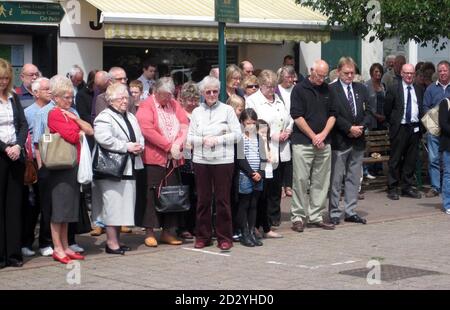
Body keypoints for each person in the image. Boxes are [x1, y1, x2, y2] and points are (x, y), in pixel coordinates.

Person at [187, 76, 241, 251]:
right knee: (203, 200)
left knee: (222, 200)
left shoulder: (227, 110)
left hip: (223, 160)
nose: (211, 94)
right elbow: (190, 138)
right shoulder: (196, 112)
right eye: (208, 91)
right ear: (202, 93)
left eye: (215, 91)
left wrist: (217, 140)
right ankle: (203, 236)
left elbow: (238, 135)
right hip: (201, 160)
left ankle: (224, 237)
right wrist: (203, 140)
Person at [136, 77, 188, 247]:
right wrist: (168, 146)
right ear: (156, 92)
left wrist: (178, 143)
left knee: (172, 193)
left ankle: (168, 231)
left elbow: (184, 124)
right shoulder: (146, 106)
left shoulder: (174, 104)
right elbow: (147, 130)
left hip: (174, 158)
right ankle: (150, 230)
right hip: (154, 159)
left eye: (170, 95)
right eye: (165, 95)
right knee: (152, 194)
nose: (168, 98)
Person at [92, 83, 144, 255]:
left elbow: (139, 135)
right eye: (120, 98)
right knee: (112, 205)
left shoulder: (130, 116)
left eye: (126, 97)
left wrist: (139, 146)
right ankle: (111, 243)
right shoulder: (104, 117)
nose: (124, 101)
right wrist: (126, 146)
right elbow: (103, 138)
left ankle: (117, 241)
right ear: (111, 100)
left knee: (122, 205)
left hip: (129, 166)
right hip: (111, 168)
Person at [46, 76, 94, 264]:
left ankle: (65, 246)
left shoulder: (70, 113)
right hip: (61, 168)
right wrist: (78, 128)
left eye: (71, 97)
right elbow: (71, 136)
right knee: (59, 210)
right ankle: (57, 248)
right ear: (56, 97)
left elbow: (89, 130)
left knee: (68, 209)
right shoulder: (54, 113)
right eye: (66, 97)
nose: (70, 100)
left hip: (73, 165)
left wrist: (76, 120)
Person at [290, 59, 337, 233]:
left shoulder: (328, 89)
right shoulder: (299, 89)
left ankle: (316, 215)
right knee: (301, 180)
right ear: (311, 70)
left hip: (324, 142)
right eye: (319, 75)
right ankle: (298, 217)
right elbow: (297, 115)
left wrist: (323, 134)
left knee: (321, 180)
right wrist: (313, 136)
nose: (321, 79)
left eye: (324, 76)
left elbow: (333, 114)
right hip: (303, 142)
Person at [246, 70, 293, 228]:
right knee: (265, 185)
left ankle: (274, 216)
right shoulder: (253, 100)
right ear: (261, 85)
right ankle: (263, 219)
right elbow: (252, 122)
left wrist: (288, 130)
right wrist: (272, 134)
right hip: (264, 147)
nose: (272, 90)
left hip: (281, 147)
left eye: (274, 86)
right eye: (268, 87)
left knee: (276, 185)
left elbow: (288, 117)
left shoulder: (278, 99)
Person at [328, 57, 372, 225]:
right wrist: (348, 128)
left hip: (358, 140)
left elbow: (369, 110)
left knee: (354, 177)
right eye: (346, 73)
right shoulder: (332, 89)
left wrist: (361, 127)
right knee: (336, 179)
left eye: (352, 73)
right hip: (340, 140)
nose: (349, 76)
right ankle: (333, 212)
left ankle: (350, 211)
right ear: (338, 72)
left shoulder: (361, 88)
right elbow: (333, 114)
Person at [0, 58, 28, 268]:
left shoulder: (13, 98)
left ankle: (13, 254)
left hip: (16, 155)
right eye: (0, 78)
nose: (3, 82)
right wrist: (5, 148)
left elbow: (22, 124)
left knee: (14, 206)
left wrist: (18, 145)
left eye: (6, 78)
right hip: (1, 154)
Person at [21, 77, 53, 257]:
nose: (50, 91)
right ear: (35, 93)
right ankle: (26, 242)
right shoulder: (29, 112)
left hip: (52, 162)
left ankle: (45, 242)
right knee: (32, 206)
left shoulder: (54, 110)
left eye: (51, 88)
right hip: (34, 164)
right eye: (46, 89)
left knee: (47, 206)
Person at [385, 64, 424, 200]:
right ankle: (393, 187)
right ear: (401, 73)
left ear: (414, 74)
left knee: (410, 159)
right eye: (406, 73)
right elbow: (387, 110)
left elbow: (420, 108)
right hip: (400, 128)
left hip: (414, 128)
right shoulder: (394, 88)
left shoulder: (419, 89)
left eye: (411, 73)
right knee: (395, 159)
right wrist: (394, 124)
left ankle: (407, 187)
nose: (409, 76)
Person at [236, 108, 266, 247]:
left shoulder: (259, 138)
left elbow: (263, 157)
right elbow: (240, 159)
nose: (251, 126)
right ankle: (244, 232)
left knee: (254, 204)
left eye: (253, 123)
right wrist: (251, 173)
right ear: (242, 122)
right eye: (248, 123)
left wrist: (260, 171)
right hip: (245, 176)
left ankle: (252, 231)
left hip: (258, 176)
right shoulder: (240, 138)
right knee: (244, 204)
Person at [423, 61, 450, 198]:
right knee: (433, 159)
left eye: (445, 70)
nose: (443, 73)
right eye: (440, 71)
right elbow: (425, 107)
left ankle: (447, 186)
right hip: (435, 130)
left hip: (449, 132)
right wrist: (433, 123)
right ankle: (435, 187)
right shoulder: (431, 89)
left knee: (448, 160)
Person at [178, 82, 201, 239]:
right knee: (184, 193)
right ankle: (182, 226)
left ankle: (194, 225)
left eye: (194, 99)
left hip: (199, 157)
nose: (192, 103)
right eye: (189, 100)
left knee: (197, 194)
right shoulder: (179, 114)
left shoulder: (200, 113)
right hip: (185, 158)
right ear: (182, 100)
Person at [275, 65, 296, 198]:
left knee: (290, 160)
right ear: (282, 77)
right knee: (280, 159)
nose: (290, 79)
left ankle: (289, 185)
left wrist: (291, 128)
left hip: (295, 127)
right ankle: (280, 186)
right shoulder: (276, 90)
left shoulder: (297, 89)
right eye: (288, 77)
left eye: (292, 77)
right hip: (280, 129)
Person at [438, 96, 450, 215]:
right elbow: (443, 123)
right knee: (448, 174)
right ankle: (448, 204)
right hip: (448, 145)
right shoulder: (445, 102)